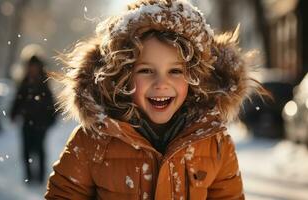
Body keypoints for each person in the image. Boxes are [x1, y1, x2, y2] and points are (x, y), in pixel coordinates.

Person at [45, 0, 267, 199]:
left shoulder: (215, 143)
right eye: (146, 71)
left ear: (194, 78)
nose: (161, 84)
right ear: (124, 75)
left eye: (175, 72)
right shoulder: (94, 139)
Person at [11, 55, 57, 184]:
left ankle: (41, 177)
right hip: (27, 122)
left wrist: (50, 120)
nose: (32, 69)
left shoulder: (44, 83)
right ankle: (29, 177)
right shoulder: (24, 82)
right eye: (30, 66)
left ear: (39, 67)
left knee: (39, 150)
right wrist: (13, 114)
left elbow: (51, 104)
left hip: (41, 124)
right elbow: (18, 100)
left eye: (34, 66)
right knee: (26, 151)